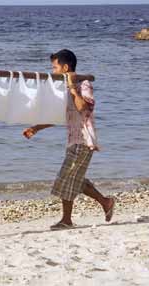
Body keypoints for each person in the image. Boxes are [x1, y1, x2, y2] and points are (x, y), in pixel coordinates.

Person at [23, 49, 115, 230]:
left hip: (84, 140)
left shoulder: (84, 84)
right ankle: (105, 202)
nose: (53, 71)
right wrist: (37, 128)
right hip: (73, 140)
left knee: (66, 179)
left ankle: (67, 220)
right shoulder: (64, 87)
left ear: (65, 67)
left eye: (55, 67)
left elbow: (84, 109)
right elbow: (62, 116)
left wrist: (73, 87)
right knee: (73, 179)